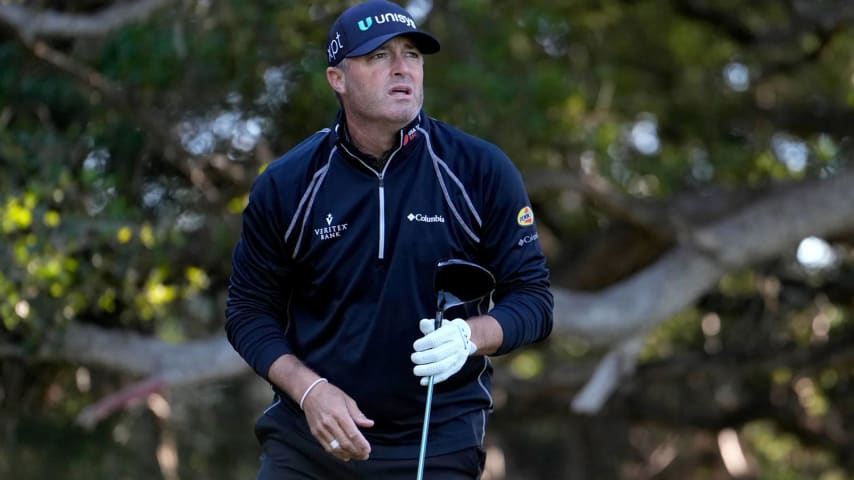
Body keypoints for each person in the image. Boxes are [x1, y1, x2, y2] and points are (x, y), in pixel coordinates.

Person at [225, 1, 553, 478]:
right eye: (379, 56)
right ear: (337, 79)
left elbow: (534, 300)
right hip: (311, 440)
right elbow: (248, 311)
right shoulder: (288, 182)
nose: (403, 68)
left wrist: (469, 336)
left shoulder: (479, 169)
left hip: (435, 438)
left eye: (413, 55)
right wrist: (310, 391)